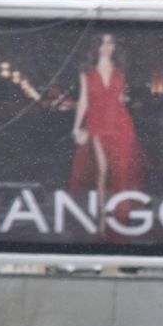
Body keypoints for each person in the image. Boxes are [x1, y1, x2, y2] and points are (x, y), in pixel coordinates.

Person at [69, 32, 144, 221]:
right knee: (103, 170)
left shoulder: (120, 70)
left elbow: (119, 97)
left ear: (114, 46)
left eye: (110, 43)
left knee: (122, 169)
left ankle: (120, 217)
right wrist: (77, 127)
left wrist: (124, 99)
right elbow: (84, 100)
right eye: (102, 43)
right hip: (97, 124)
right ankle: (103, 218)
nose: (107, 47)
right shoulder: (87, 71)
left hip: (121, 123)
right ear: (96, 47)